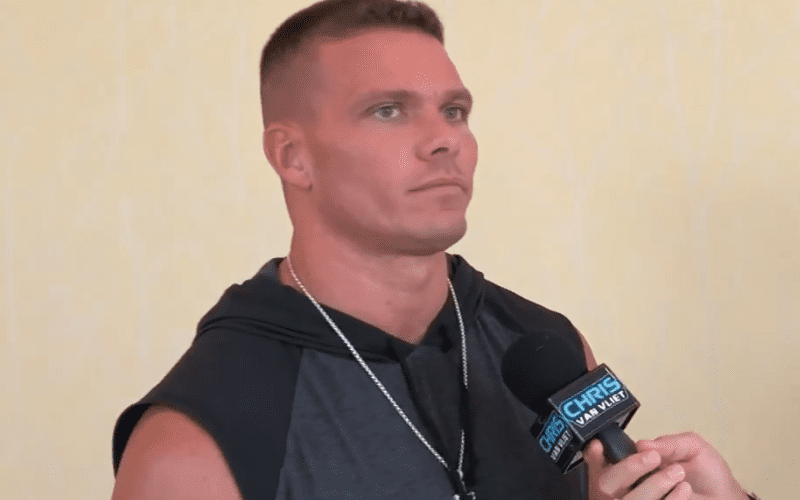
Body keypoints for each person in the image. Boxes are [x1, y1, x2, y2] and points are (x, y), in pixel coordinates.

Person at [110, 1, 756, 499]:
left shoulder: (546, 348)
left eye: (454, 111)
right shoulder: (196, 439)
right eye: (388, 111)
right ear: (292, 156)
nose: (443, 140)